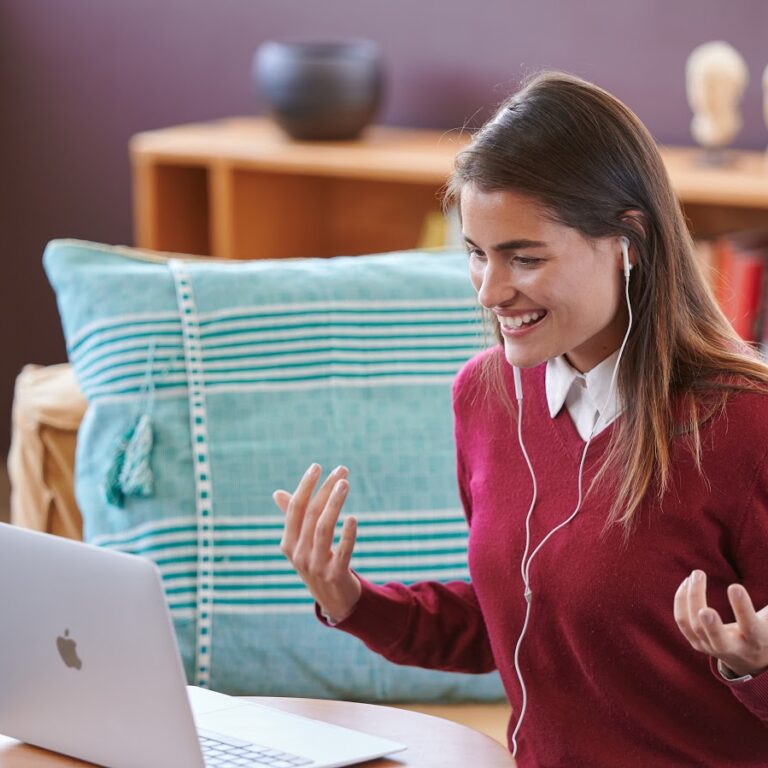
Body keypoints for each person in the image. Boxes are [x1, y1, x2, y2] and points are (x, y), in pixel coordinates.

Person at [272, 71, 768, 767]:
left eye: (523, 257)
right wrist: (353, 600)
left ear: (628, 242)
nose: (490, 290)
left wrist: (753, 666)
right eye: (476, 254)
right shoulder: (483, 397)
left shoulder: (745, 426)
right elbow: (513, 619)